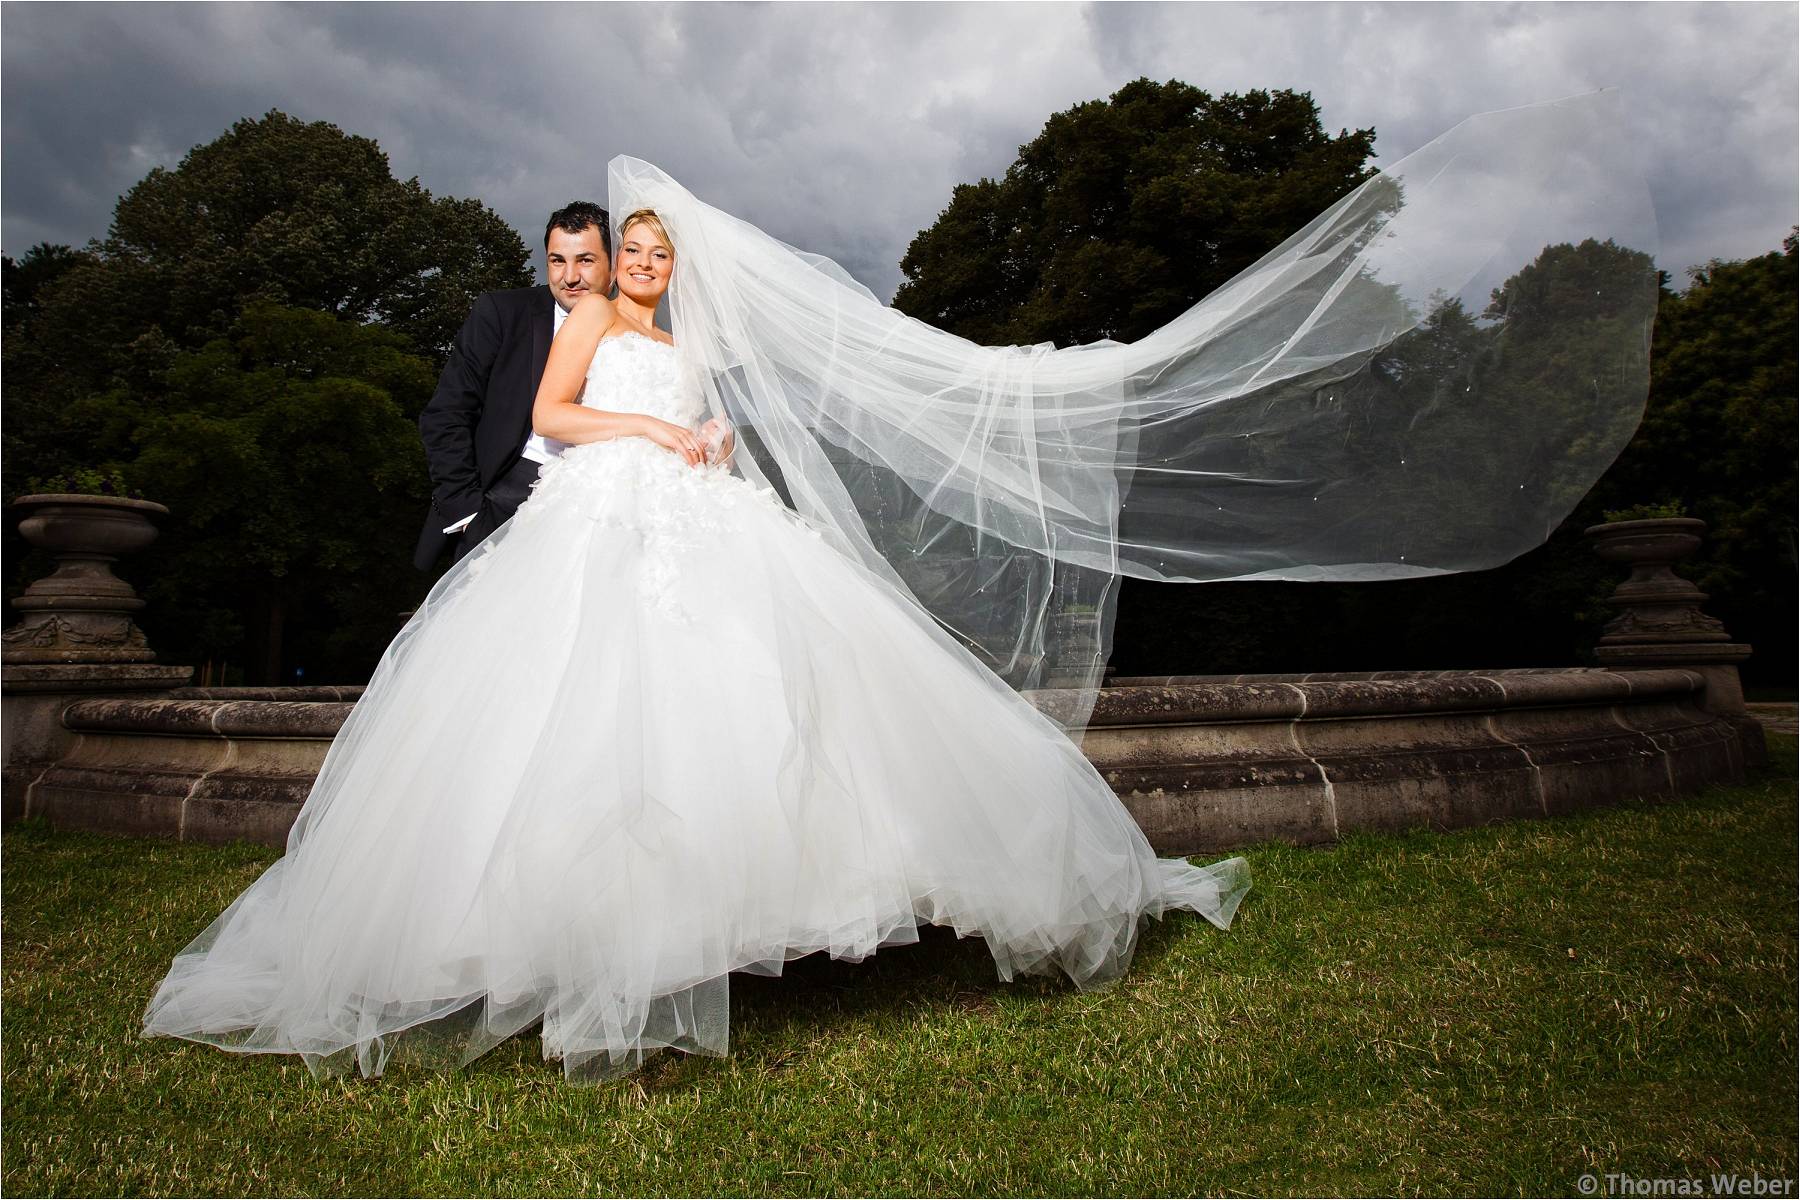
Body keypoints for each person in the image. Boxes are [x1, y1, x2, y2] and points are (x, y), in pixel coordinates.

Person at [144, 94, 1656, 1083]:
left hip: (691, 499)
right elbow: (550, 421)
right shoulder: (583, 316)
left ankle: (747, 928)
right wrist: (657, 428)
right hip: (609, 508)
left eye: (663, 254)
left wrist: (708, 433)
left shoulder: (688, 328)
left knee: (778, 703)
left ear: (687, 265)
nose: (648, 267)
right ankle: (561, 950)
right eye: (636, 253)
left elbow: (687, 409)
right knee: (583, 728)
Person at [413, 201, 612, 570]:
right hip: (502, 503)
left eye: (585, 260)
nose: (569, 276)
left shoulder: (638, 332)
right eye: (557, 261)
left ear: (611, 264)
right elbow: (447, 413)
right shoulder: (502, 314)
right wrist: (468, 511)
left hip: (602, 508)